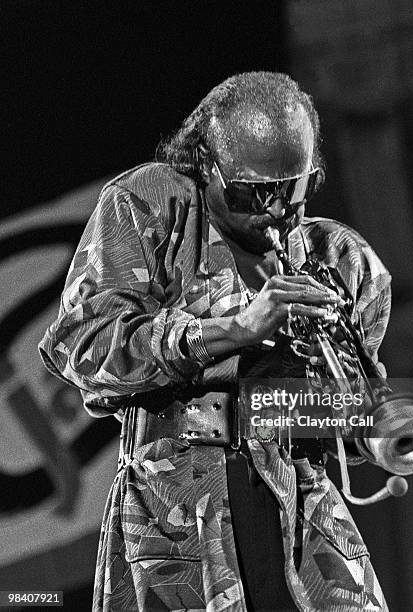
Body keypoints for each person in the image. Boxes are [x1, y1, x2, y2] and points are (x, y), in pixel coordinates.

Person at [39, 72, 391, 611]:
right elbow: (83, 345)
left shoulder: (341, 259)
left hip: (301, 514)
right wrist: (237, 330)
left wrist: (359, 417)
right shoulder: (150, 203)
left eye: (295, 188)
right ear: (206, 164)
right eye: (255, 191)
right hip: (175, 518)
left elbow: (353, 424)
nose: (278, 210)